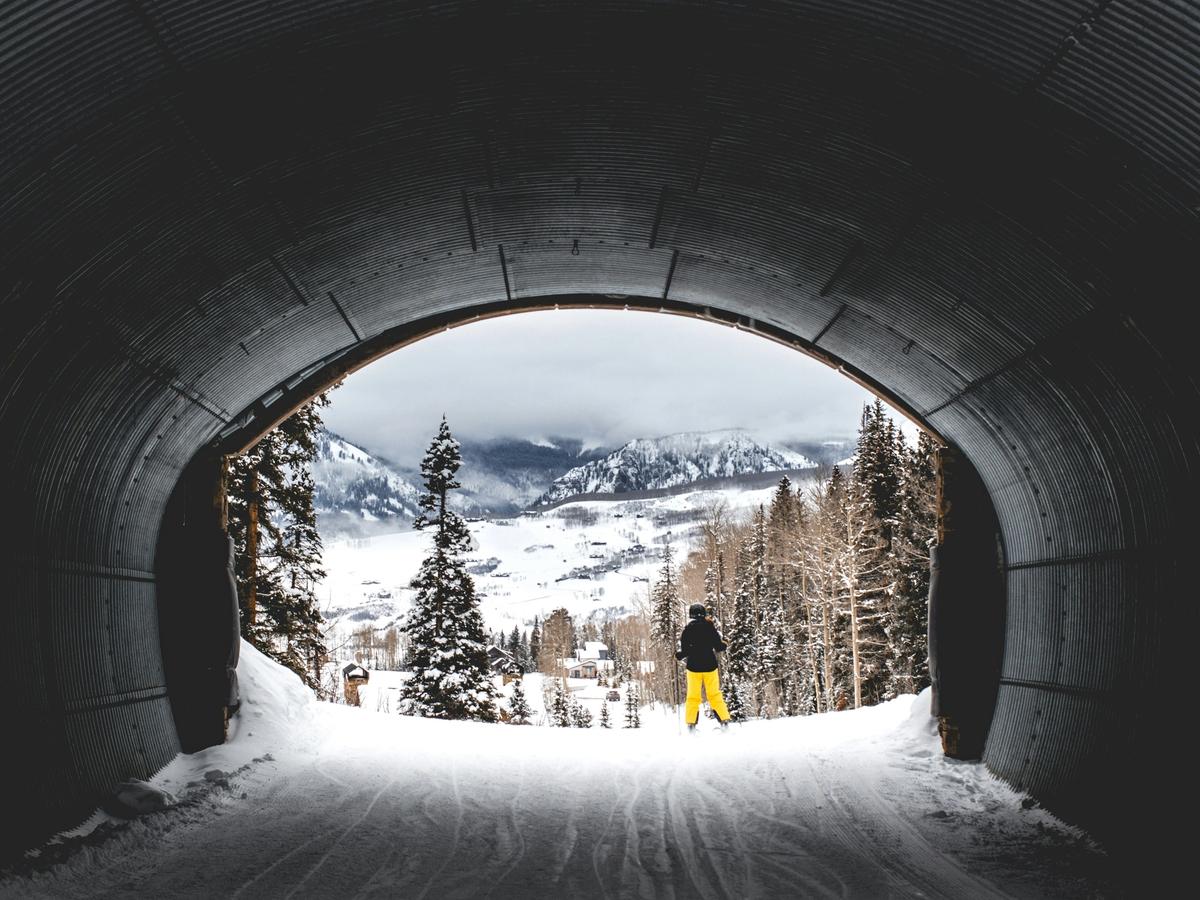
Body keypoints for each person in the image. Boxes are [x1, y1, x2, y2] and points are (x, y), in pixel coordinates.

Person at [675, 602, 732, 731]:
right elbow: (719, 647)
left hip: (693, 668)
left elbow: (685, 651)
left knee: (693, 697)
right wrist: (725, 643)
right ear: (704, 613)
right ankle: (724, 721)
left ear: (691, 615)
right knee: (714, 695)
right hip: (710, 667)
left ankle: (691, 725)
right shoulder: (710, 628)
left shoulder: (687, 630)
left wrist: (678, 655)